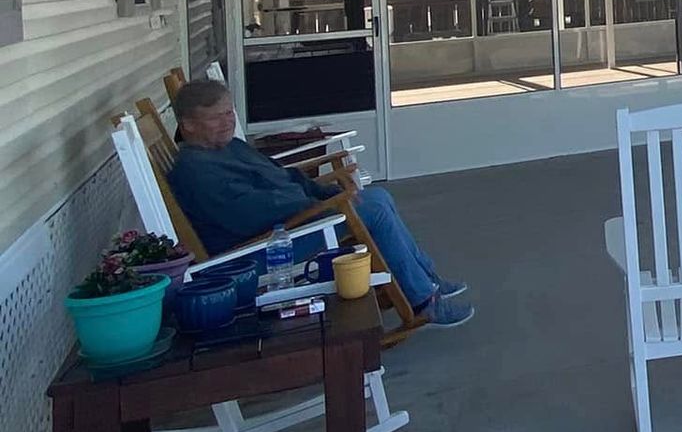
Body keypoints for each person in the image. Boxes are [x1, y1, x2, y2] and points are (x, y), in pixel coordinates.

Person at [168, 79, 473, 328]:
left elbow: (283, 176)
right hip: (263, 248)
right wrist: (319, 202)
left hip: (288, 222)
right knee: (375, 210)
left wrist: (324, 194)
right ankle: (422, 302)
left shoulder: (229, 147)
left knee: (377, 197)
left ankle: (427, 279)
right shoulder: (195, 171)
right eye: (215, 117)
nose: (227, 122)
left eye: (229, 113)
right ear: (189, 125)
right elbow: (252, 212)